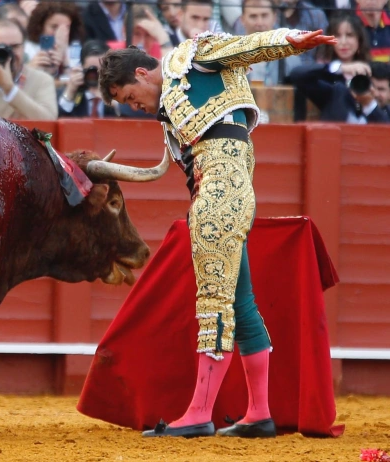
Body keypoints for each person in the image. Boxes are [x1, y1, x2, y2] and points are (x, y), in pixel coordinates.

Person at [98, 27, 335, 438]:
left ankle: (198, 413)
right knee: (241, 303)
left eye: (129, 98)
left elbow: (244, 47)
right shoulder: (173, 109)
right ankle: (258, 414)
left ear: (140, 72)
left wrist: (290, 40)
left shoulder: (189, 57)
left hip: (220, 191)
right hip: (222, 188)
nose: (133, 107)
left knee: (214, 303)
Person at [290, 14, 387, 123]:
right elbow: (297, 75)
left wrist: (369, 104)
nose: (343, 42)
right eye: (337, 36)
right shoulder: (329, 79)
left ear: (359, 40)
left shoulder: (373, 72)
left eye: (350, 35)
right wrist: (340, 68)